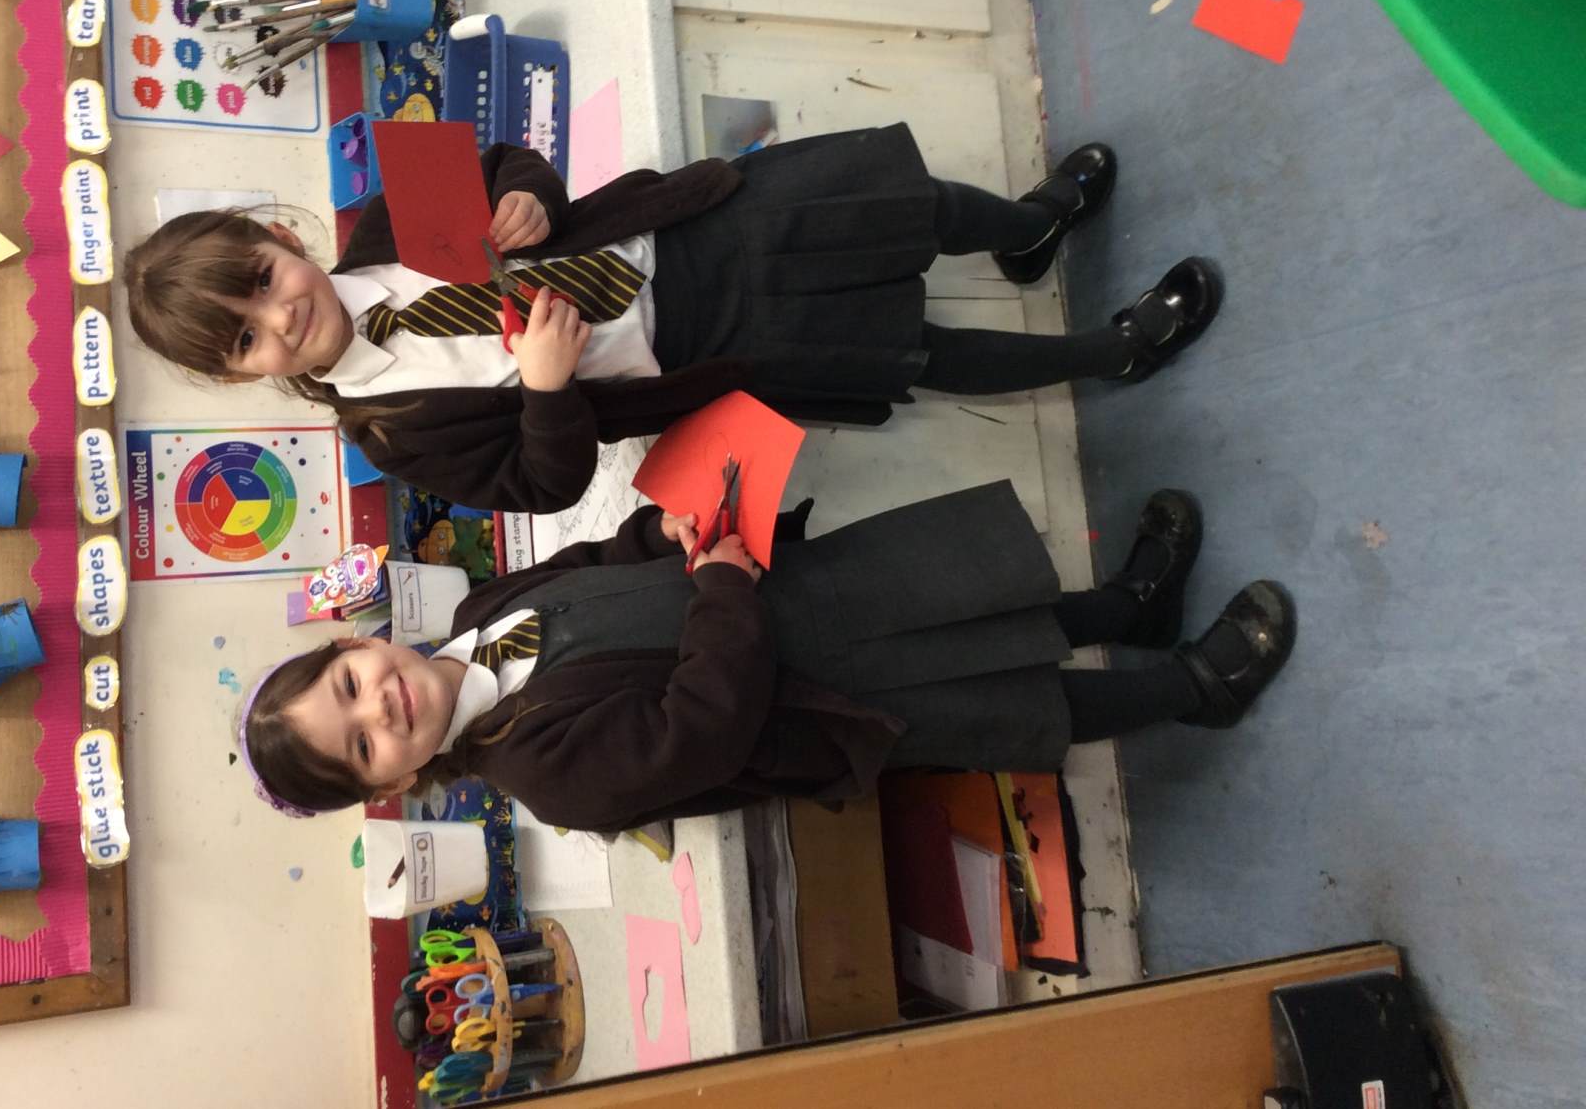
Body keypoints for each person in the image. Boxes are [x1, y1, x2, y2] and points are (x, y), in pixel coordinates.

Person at [122, 127, 1220, 512]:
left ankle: (1030, 225)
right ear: (242, 375)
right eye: (248, 337)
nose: (283, 314)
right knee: (916, 351)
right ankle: (1110, 353)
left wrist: (528, 196)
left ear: (280, 236)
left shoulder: (381, 224)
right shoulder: (393, 432)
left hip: (687, 230)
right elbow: (542, 484)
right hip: (702, 348)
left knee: (903, 207)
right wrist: (546, 391)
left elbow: (507, 160)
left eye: (261, 277)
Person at [234, 485, 1295, 833]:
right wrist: (721, 590)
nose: (380, 708)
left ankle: (1129, 606)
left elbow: (595, 564)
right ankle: (1190, 691)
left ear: (357, 642)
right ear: (395, 784)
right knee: (1011, 694)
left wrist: (664, 533)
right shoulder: (542, 773)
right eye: (362, 746)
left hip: (799, 601)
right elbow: (700, 728)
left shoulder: (478, 613)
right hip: (815, 691)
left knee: (977, 606)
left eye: (348, 686)